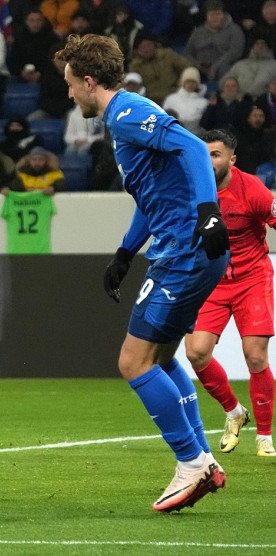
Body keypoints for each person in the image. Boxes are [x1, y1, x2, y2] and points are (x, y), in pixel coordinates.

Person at [57, 33, 231, 513]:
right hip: (179, 250)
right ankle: (204, 460)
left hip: (186, 252)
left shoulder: (129, 112)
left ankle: (192, 462)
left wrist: (208, 212)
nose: (69, 95)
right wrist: (125, 251)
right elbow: (151, 197)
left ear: (89, 81)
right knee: (163, 356)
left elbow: (195, 150)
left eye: (71, 85)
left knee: (133, 362)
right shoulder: (123, 119)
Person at [185, 129, 276, 458]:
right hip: (211, 280)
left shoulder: (251, 188)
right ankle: (234, 411)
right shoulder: (190, 188)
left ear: (231, 159)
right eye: (204, 155)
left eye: (216, 155)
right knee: (195, 353)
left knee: (255, 355)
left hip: (252, 278)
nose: (209, 162)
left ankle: (264, 436)